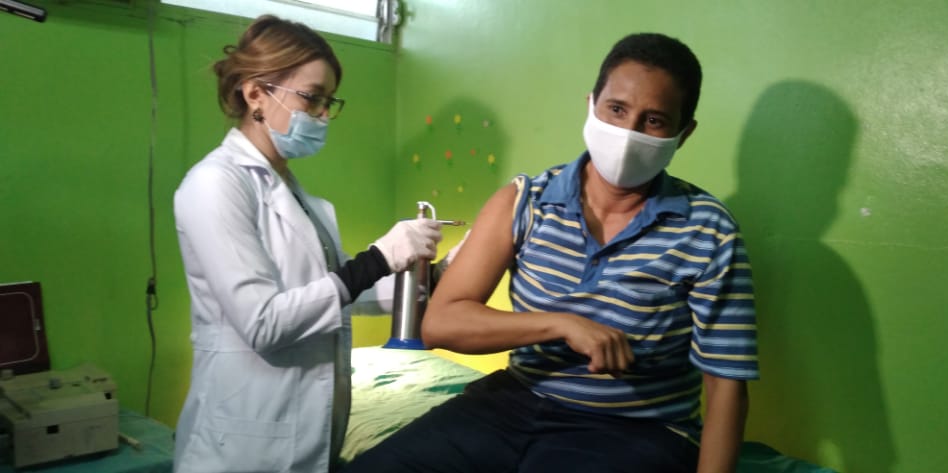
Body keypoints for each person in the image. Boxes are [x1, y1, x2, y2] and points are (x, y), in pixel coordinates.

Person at [342, 33, 759, 473]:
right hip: (511, 404)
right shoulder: (525, 201)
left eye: (654, 120)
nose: (628, 132)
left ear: (683, 133)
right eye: (616, 109)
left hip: (636, 427)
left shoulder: (708, 229)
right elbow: (441, 324)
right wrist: (562, 324)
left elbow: (726, 387)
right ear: (591, 105)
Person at [172, 15, 451, 473]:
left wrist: (433, 275)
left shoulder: (296, 195)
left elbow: (338, 295)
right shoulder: (214, 184)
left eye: (328, 101)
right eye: (312, 97)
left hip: (308, 432)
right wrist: (378, 258)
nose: (323, 115)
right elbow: (264, 323)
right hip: (242, 445)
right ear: (256, 93)